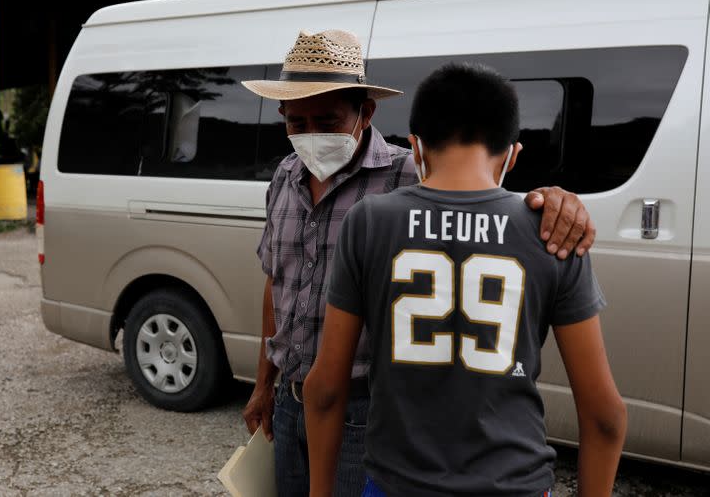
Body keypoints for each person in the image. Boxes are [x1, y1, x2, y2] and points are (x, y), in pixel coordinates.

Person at [241, 30, 598, 497]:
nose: (311, 136)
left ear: (365, 113)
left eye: (326, 121)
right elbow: (277, 282)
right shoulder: (284, 178)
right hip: (292, 403)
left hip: (365, 411)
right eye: (297, 122)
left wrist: (558, 200)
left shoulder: (410, 176)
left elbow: (496, 200)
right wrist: (263, 383)